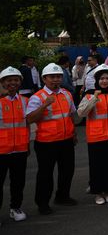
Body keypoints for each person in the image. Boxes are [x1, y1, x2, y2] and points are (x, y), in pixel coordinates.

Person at [24, 63, 78, 215]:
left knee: (67, 171)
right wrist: (44, 106)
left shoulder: (66, 94)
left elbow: (70, 114)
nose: (56, 80)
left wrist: (73, 133)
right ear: (44, 79)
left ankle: (62, 196)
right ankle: (42, 203)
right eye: (52, 77)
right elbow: (30, 119)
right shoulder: (38, 97)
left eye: (58, 77)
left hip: (66, 140)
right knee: (45, 174)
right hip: (46, 143)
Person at [76, 65, 108, 205]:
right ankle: (97, 193)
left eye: (107, 78)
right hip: (96, 137)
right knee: (97, 166)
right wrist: (94, 98)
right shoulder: (90, 94)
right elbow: (81, 114)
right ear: (97, 80)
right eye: (102, 78)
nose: (105, 81)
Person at [0, 67, 29, 223]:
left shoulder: (25, 101)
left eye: (16, 80)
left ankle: (15, 207)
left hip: (20, 149)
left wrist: (28, 146)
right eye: (9, 80)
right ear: (3, 83)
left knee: (18, 181)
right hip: (1, 151)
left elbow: (27, 125)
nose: (13, 83)